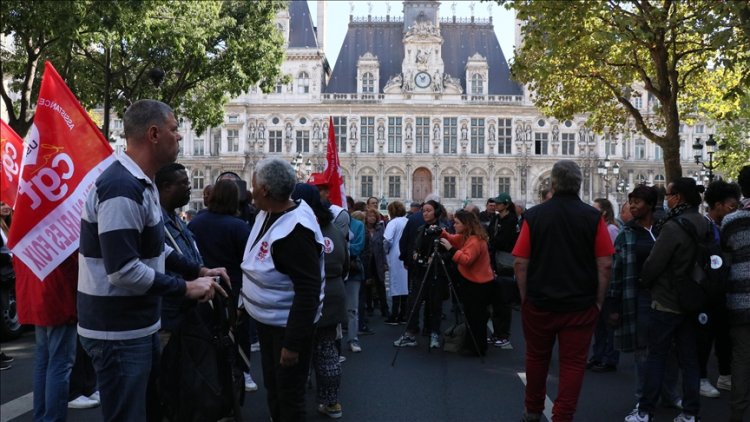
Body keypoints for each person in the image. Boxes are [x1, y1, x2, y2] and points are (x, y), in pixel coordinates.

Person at [78, 99, 228, 422]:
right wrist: (186, 288)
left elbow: (156, 247)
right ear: (154, 134)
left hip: (136, 326)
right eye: (175, 130)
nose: (180, 137)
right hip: (116, 333)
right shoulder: (121, 187)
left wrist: (198, 269)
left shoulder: (141, 183)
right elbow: (122, 270)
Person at [513, 160, 614, 422]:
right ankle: (563, 415)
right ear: (579, 184)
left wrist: (525, 298)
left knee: (536, 357)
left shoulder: (534, 216)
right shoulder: (593, 218)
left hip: (540, 301)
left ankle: (533, 409)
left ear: (553, 184)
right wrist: (598, 302)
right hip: (580, 304)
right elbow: (605, 264)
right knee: (573, 363)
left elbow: (520, 263)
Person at [240, 157, 325, 422]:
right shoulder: (267, 212)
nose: (250, 189)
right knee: (275, 388)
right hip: (269, 323)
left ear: (265, 190)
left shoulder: (294, 231)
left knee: (289, 397)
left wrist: (292, 343)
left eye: (253, 184)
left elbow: (308, 290)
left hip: (285, 328)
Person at [632, 177, 709, 422]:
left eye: (668, 195)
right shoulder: (704, 223)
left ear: (678, 197)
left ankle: (645, 411)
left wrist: (645, 280)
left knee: (656, 356)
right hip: (694, 299)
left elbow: (655, 262)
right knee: (689, 360)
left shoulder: (674, 226)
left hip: (667, 300)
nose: (666, 199)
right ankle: (690, 413)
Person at [606, 186, 682, 420]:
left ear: (650, 205)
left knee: (670, 348)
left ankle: (669, 394)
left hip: (667, 296)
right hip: (638, 296)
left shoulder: (665, 229)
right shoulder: (626, 233)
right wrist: (614, 305)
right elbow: (617, 271)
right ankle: (643, 399)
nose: (632, 206)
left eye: (637, 201)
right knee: (643, 352)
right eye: (631, 202)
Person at [188, 179, 257, 392]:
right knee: (236, 332)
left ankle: (209, 373)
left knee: (206, 332)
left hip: (202, 286)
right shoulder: (238, 226)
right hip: (232, 288)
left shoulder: (196, 222)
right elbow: (249, 262)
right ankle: (242, 372)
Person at [291, 183, 347, 419]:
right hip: (335, 292)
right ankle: (331, 401)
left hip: (310, 295)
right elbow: (345, 262)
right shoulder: (332, 227)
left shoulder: (301, 226)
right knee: (327, 349)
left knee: (301, 348)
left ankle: (296, 398)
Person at [697, 180, 740, 398]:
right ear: (718, 204)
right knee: (705, 337)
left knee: (724, 334)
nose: (734, 209)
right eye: (731, 205)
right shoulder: (704, 227)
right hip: (707, 292)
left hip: (723, 290)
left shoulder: (727, 226)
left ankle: (725, 375)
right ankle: (701, 378)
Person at [156, 163, 205, 335]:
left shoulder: (176, 218)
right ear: (166, 187)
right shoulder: (156, 223)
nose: (189, 187)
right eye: (183, 183)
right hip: (170, 315)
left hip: (187, 311)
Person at [394, 199, 449, 349]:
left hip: (435, 272)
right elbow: (414, 246)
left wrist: (438, 257)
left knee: (435, 304)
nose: (425, 213)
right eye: (424, 210)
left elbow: (448, 252)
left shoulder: (443, 230)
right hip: (420, 271)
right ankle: (410, 333)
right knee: (414, 303)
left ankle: (434, 333)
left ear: (436, 212)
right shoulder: (420, 229)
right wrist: (413, 257)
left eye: (429, 210)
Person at [439, 210, 495, 356]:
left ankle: (477, 347)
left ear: (466, 224)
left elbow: (466, 260)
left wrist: (451, 250)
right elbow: (454, 238)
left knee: (476, 317)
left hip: (478, 284)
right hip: (475, 281)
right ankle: (473, 345)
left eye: (457, 223)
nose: (454, 225)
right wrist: (441, 232)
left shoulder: (475, 240)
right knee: (472, 316)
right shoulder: (467, 237)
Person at [722, 165, 750, 422]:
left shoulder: (731, 221)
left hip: (740, 301)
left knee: (741, 360)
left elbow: (724, 259)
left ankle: (738, 415)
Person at [588, 198, 621, 373]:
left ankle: (609, 358)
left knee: (608, 323)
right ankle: (598, 355)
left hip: (609, 282)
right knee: (598, 323)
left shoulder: (611, 230)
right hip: (599, 280)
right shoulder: (601, 229)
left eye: (595, 210)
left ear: (604, 213)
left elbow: (613, 259)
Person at [487, 192, 519, 349]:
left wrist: (491, 242)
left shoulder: (511, 220)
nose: (496, 205)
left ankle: (503, 334)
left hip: (505, 261)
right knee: (496, 299)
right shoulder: (496, 218)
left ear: (506, 205)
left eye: (499, 204)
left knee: (504, 300)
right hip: (495, 259)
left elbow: (502, 240)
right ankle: (497, 333)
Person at [384, 201, 409, 325]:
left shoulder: (393, 222)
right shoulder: (407, 221)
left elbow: (387, 239)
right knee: (405, 285)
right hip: (406, 255)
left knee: (395, 284)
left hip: (395, 255)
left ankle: (394, 315)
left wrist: (386, 251)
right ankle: (403, 314)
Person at [364, 208, 389, 319]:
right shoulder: (363, 229)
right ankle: (369, 308)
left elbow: (383, 247)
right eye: (370, 216)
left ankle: (385, 309)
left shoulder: (380, 229)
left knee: (381, 285)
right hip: (367, 261)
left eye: (374, 216)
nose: (372, 218)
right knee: (368, 285)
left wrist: (384, 262)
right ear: (366, 217)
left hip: (378, 260)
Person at [0, 202, 14, 371]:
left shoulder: (7, 224)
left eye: (7, 204)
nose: (6, 207)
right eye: (2, 204)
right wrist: (10, 258)